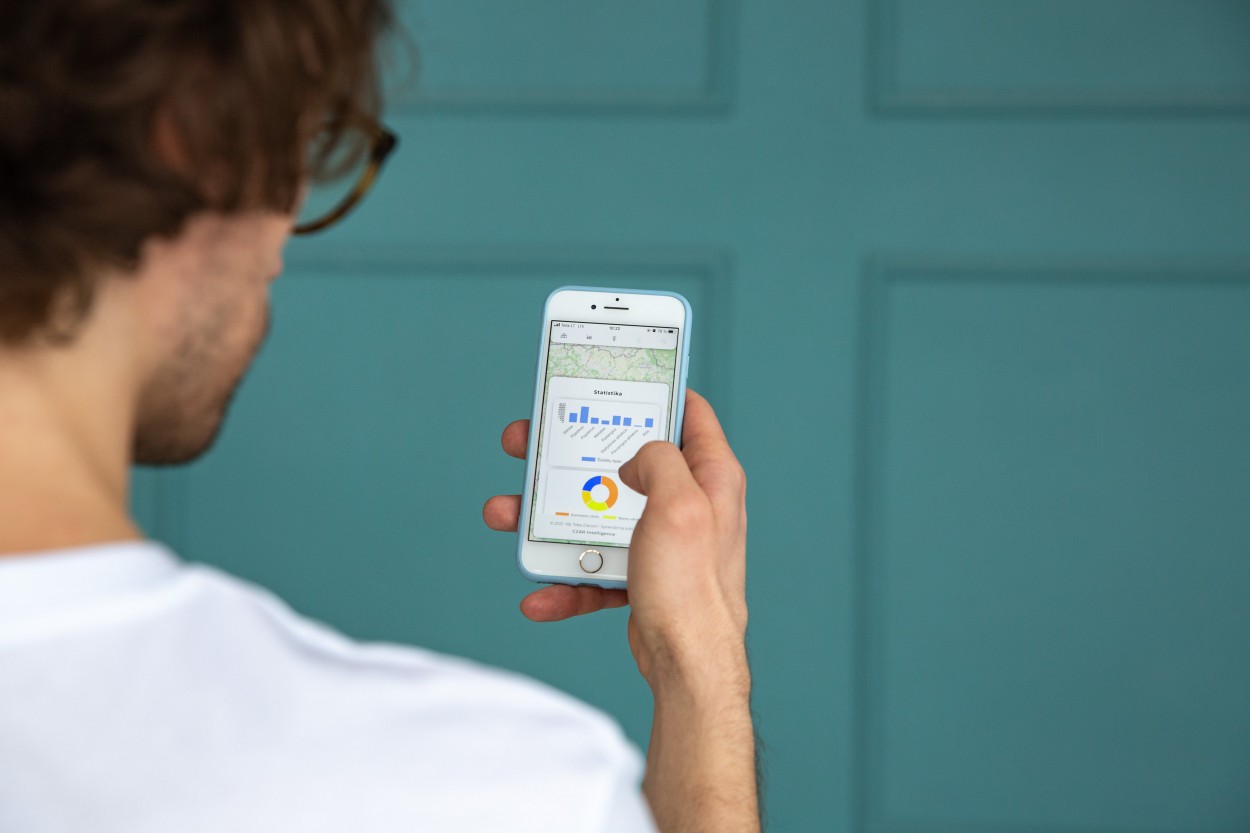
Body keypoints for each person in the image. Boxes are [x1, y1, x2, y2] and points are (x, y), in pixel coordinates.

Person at [0, 2, 757, 831]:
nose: (281, 238)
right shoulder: (499, 791)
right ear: (192, 136)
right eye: (301, 146)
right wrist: (702, 662)